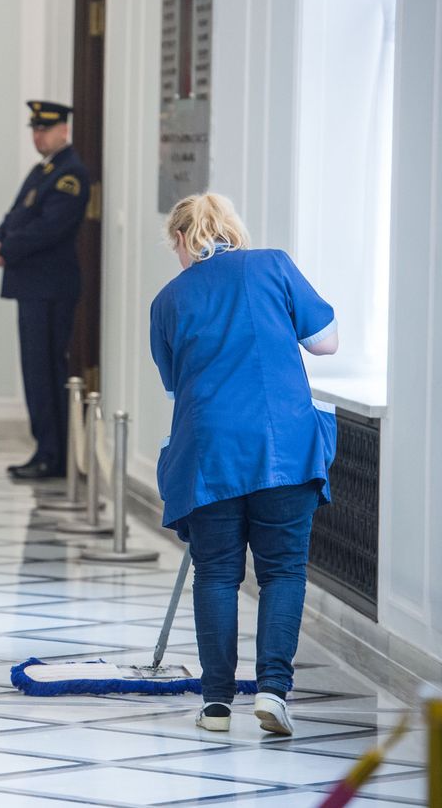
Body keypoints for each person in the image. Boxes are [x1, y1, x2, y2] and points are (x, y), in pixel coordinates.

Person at [150, 192, 338, 736]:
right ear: (231, 229)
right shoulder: (273, 265)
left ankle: (215, 704)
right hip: (284, 447)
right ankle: (273, 693)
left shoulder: (168, 300)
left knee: (216, 575)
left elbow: (174, 382)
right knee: (282, 572)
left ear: (182, 239)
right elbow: (326, 343)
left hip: (209, 453)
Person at [0, 101, 90, 480]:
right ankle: (45, 448)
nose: (38, 136)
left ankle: (55, 454)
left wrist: (6, 248)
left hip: (50, 287)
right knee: (35, 371)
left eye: (45, 129)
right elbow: (15, 216)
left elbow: (49, 228)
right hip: (31, 286)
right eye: (34, 129)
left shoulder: (71, 175)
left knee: (47, 370)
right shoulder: (41, 172)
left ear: (64, 130)